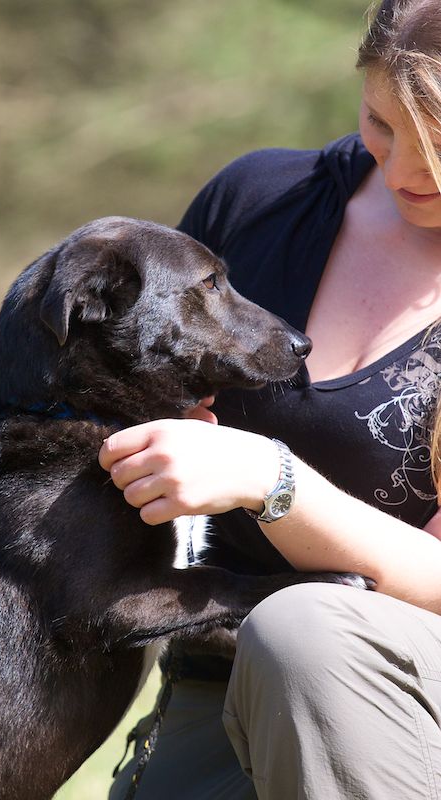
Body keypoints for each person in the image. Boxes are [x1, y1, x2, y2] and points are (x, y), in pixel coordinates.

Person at [101, 1, 441, 797]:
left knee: (304, 628)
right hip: (215, 686)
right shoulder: (259, 198)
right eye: (380, 123)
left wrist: (268, 478)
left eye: (436, 143)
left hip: (405, 685)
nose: (401, 170)